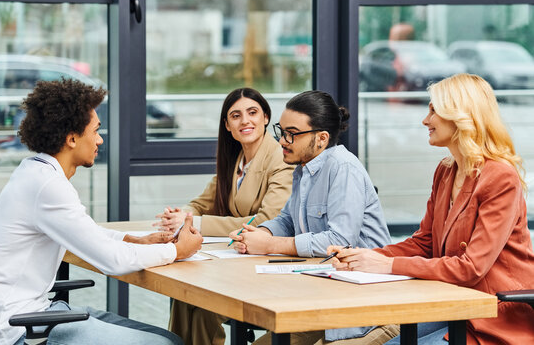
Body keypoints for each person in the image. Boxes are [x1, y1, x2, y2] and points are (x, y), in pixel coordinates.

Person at [0, 79, 203, 345]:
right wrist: (178, 251)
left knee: (166, 337)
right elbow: (111, 261)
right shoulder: (47, 186)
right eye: (95, 131)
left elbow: (88, 232)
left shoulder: (35, 172)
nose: (100, 139)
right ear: (71, 138)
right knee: (166, 344)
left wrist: (133, 240)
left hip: (39, 314)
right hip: (20, 329)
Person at [330, 73, 534, 344]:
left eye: (433, 110)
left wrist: (387, 265)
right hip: (455, 304)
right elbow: (424, 242)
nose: (425, 120)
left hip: (494, 312)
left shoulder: (499, 177)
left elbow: (471, 267)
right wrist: (361, 258)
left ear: (460, 115)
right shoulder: (446, 170)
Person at [230, 90, 398, 345]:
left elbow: (340, 241)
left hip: (367, 310)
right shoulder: (303, 168)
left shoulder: (343, 168)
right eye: (281, 131)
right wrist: (259, 234)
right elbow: (286, 219)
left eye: (291, 134)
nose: (282, 141)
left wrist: (271, 245)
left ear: (321, 138)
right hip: (324, 303)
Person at [160, 87, 294, 345]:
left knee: (203, 311)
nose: (245, 121)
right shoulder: (236, 159)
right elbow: (202, 202)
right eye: (236, 116)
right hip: (236, 262)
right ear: (227, 125)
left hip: (266, 266)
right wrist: (182, 216)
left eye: (252, 112)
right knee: (184, 298)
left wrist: (196, 223)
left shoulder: (279, 158)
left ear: (266, 117)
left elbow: (266, 220)